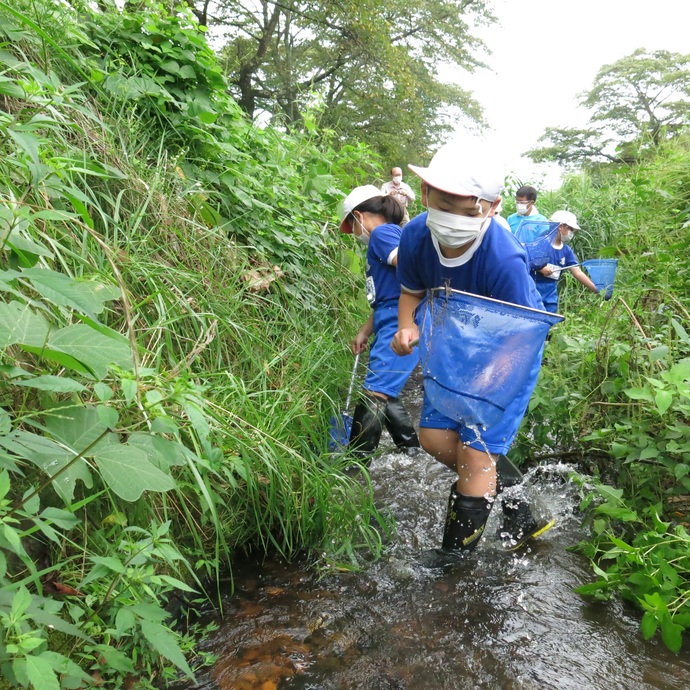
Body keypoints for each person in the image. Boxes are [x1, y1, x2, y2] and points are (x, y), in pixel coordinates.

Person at [391, 142, 554, 553]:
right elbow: (411, 292)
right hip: (453, 351)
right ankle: (517, 502)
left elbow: (525, 333)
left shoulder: (503, 258)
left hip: (508, 355)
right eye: (442, 205)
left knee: (476, 454)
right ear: (425, 193)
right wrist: (407, 327)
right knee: (431, 437)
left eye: (465, 212)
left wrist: (490, 376)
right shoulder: (414, 237)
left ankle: (452, 564)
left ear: (493, 206)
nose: (450, 220)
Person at [340, 185, 420, 458]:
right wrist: (365, 330)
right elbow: (389, 295)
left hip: (400, 322)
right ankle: (411, 453)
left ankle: (353, 466)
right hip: (389, 318)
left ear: (359, 216)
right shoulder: (387, 236)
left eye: (352, 225)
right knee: (384, 388)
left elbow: (409, 266)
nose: (354, 233)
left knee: (375, 392)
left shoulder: (382, 233)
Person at [532, 210, 600, 313]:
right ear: (560, 227)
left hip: (551, 291)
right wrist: (540, 267)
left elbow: (577, 272)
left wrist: (596, 289)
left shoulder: (566, 251)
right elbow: (527, 260)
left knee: (549, 317)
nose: (571, 233)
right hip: (534, 289)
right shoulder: (540, 243)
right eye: (570, 229)